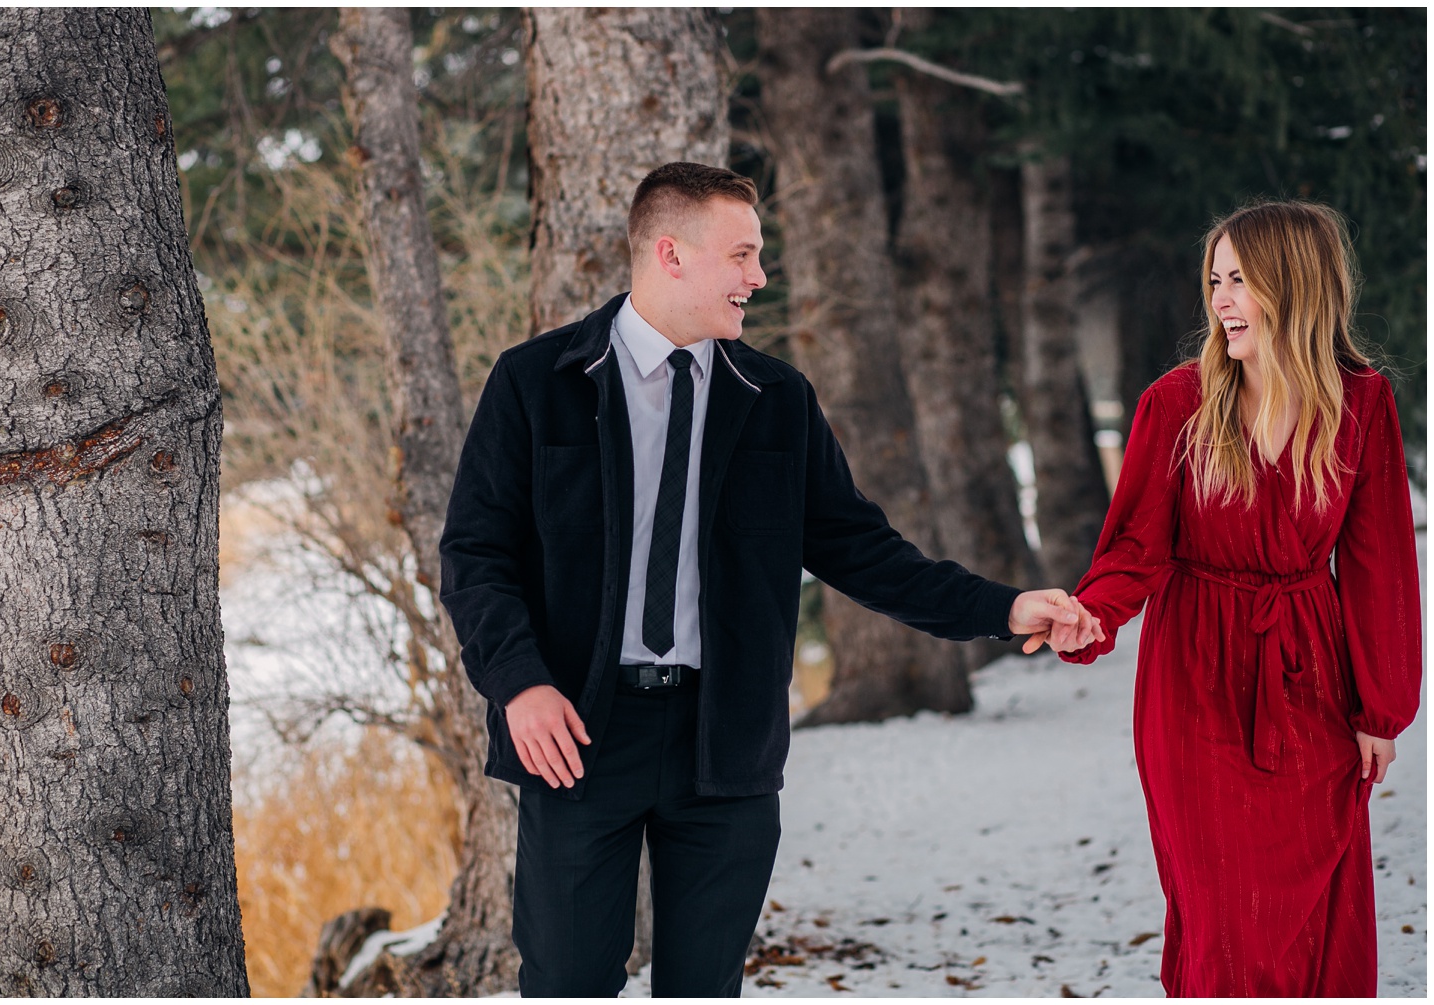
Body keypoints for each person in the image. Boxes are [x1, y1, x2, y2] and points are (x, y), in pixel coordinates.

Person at [439, 161, 1097, 997]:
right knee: (566, 982)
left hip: (726, 744)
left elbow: (864, 550)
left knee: (707, 987)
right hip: (577, 735)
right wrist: (519, 683)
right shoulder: (536, 383)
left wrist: (1003, 607)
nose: (759, 276)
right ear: (670, 255)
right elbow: (475, 554)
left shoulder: (776, 400)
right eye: (743, 255)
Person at [1058, 201, 1421, 995]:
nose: (1221, 300)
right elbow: (1133, 548)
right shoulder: (1176, 403)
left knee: (1321, 905)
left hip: (1312, 684)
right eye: (1215, 280)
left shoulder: (1361, 403)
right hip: (1194, 682)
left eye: (1240, 281)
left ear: (1294, 287)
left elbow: (1379, 564)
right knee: (1223, 908)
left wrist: (1379, 708)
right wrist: (1090, 616)